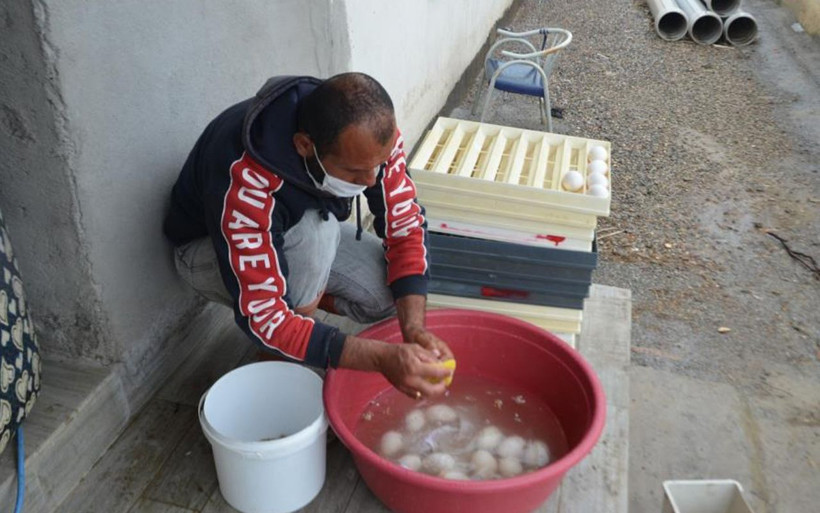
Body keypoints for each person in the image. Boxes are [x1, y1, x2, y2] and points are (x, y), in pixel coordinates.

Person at [163, 73, 454, 399]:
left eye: (379, 164)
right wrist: (377, 357)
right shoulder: (246, 181)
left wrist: (413, 327)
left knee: (391, 295)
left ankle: (303, 309)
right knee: (316, 234)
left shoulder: (370, 142)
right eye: (355, 172)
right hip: (205, 255)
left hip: (298, 232)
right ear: (304, 146)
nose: (372, 180)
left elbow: (406, 227)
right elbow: (264, 316)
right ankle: (279, 357)